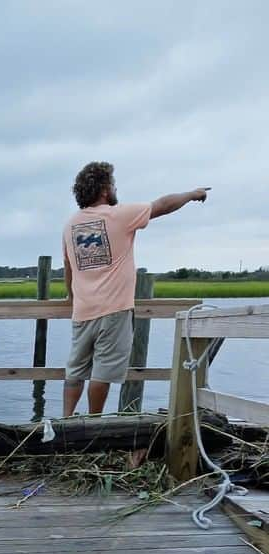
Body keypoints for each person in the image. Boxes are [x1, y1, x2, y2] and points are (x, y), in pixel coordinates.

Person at [62, 162, 209, 416]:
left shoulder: (70, 225)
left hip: (83, 310)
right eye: (113, 183)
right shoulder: (118, 214)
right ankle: (93, 422)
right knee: (103, 372)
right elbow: (161, 206)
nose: (115, 187)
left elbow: (67, 265)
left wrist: (70, 295)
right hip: (114, 309)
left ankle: (65, 421)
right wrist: (191, 194)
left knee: (75, 370)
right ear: (105, 189)